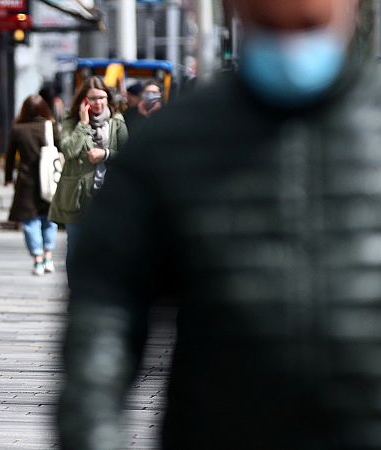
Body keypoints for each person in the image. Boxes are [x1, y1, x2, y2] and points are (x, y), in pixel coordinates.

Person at [59, 0, 381, 448]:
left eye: (309, 26)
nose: (291, 47)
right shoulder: (170, 143)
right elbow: (104, 317)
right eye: (271, 25)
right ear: (236, 11)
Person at [48, 76, 128, 257]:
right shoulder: (72, 121)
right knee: (75, 248)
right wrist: (83, 125)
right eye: (92, 98)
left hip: (108, 195)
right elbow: (69, 150)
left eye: (101, 97)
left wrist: (105, 154)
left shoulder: (116, 121)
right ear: (84, 100)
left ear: (107, 98)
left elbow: (128, 156)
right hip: (78, 195)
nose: (98, 103)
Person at [4, 95, 61, 276]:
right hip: (50, 181)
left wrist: (8, 177)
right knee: (49, 219)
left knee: (30, 221)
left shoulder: (18, 129)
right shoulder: (51, 127)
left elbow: (10, 157)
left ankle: (37, 258)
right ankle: (48, 256)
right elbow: (61, 150)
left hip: (26, 181)